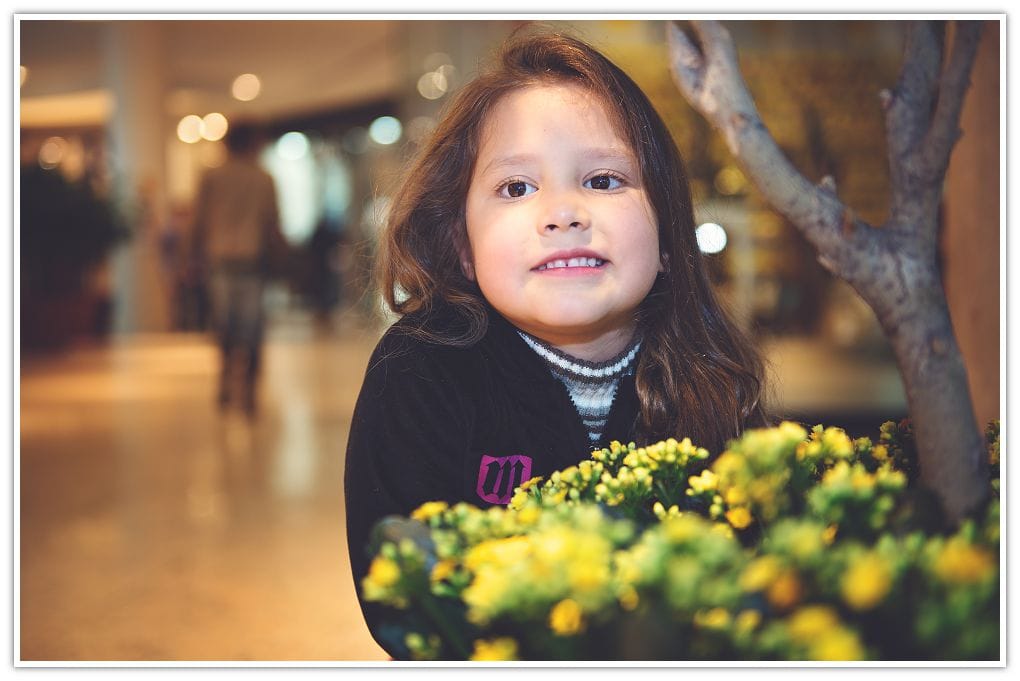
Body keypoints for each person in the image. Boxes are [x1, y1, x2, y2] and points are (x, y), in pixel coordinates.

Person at [344, 31, 769, 657]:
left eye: (603, 180)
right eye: (516, 188)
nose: (564, 212)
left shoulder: (709, 374)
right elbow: (404, 598)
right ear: (462, 245)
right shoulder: (420, 370)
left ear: (669, 234)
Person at [190, 123, 287, 414]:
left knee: (224, 324)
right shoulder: (263, 178)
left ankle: (225, 380)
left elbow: (199, 221)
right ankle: (249, 389)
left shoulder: (211, 176)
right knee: (253, 327)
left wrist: (190, 257)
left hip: (219, 259)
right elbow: (272, 223)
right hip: (253, 260)